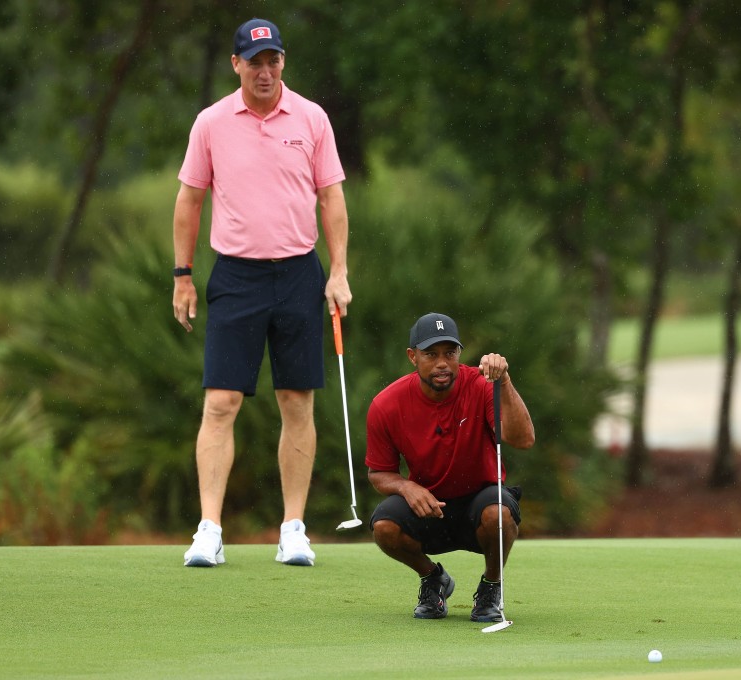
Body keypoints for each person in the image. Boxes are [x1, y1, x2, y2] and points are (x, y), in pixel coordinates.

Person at [171, 18, 351, 567]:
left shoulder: (312, 118)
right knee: (220, 403)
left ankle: (293, 529)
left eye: (273, 60)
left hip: (299, 272)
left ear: (283, 62)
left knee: (296, 400)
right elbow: (189, 202)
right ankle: (209, 530)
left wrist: (338, 270)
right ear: (236, 66)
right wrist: (182, 275)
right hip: (236, 275)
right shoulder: (211, 123)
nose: (265, 70)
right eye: (255, 62)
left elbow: (332, 200)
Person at [365, 313, 535, 621]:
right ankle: (433, 578)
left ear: (459, 354)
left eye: (450, 353)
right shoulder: (386, 404)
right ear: (412, 357)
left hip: (481, 501)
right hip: (431, 507)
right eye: (431, 354)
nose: (442, 363)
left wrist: (505, 381)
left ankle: (491, 586)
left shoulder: (483, 385)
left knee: (498, 512)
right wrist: (407, 486)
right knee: (384, 527)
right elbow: (378, 473)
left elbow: (523, 439)